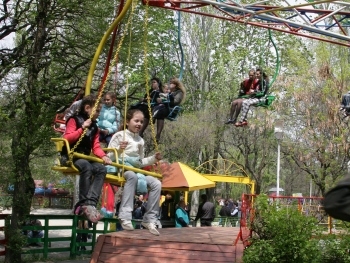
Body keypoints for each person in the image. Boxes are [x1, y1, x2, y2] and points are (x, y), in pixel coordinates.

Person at [107, 109, 162, 235]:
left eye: (141, 122)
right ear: (127, 121)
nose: (139, 124)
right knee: (132, 176)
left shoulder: (140, 141)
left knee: (156, 183)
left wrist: (154, 158)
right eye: (136, 121)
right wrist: (119, 149)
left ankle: (149, 219)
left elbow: (140, 162)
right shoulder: (119, 135)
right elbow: (108, 157)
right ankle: (125, 216)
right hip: (122, 168)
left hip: (136, 170)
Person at [63, 94, 112, 223]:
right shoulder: (74, 120)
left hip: (84, 156)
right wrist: (82, 128)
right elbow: (67, 138)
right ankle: (83, 203)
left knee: (101, 169)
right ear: (87, 108)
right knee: (86, 166)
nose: (98, 114)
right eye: (97, 111)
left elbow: (95, 147)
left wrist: (104, 156)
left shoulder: (94, 127)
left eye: (99, 111)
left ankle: (91, 204)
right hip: (71, 155)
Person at [152, 77, 186, 142]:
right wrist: (160, 99)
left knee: (161, 112)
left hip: (170, 109)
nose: (169, 85)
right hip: (163, 107)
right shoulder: (169, 91)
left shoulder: (179, 92)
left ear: (175, 85)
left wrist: (167, 99)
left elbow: (176, 101)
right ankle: (153, 120)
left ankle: (158, 133)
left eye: (171, 83)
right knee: (159, 111)